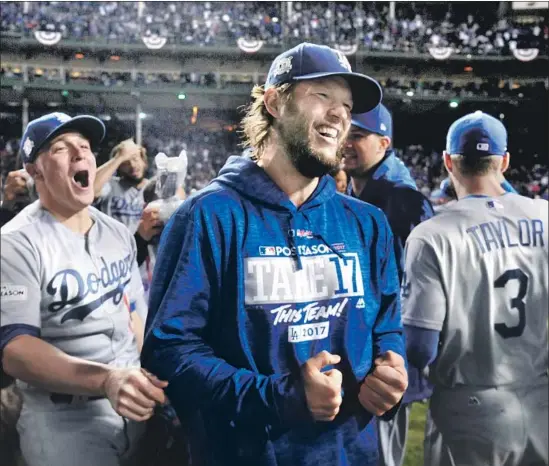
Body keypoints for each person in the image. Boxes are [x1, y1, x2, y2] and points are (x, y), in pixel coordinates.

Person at [142, 42, 408, 466]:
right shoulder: (207, 217)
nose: (341, 115)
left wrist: (392, 366)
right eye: (322, 96)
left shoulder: (367, 223)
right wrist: (279, 397)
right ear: (274, 102)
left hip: (353, 454)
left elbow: (387, 323)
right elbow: (169, 351)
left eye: (346, 104)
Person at [0, 112, 168, 466]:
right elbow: (16, 349)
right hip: (65, 420)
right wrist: (106, 379)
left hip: (136, 403)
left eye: (86, 146)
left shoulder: (119, 233)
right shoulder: (15, 243)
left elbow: (134, 312)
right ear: (35, 171)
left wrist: (151, 371)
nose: (80, 154)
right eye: (61, 149)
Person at [401, 111, 548, 466]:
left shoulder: (433, 233)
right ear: (506, 161)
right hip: (542, 400)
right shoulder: (545, 215)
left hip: (469, 407)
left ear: (448, 162)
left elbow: (419, 348)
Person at [342, 103, 434, 466]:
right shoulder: (355, 192)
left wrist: (396, 361)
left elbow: (413, 290)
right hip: (355, 355)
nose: (348, 142)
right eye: (346, 134)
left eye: (359, 135)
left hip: (382, 361)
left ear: (384, 142)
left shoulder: (403, 200)